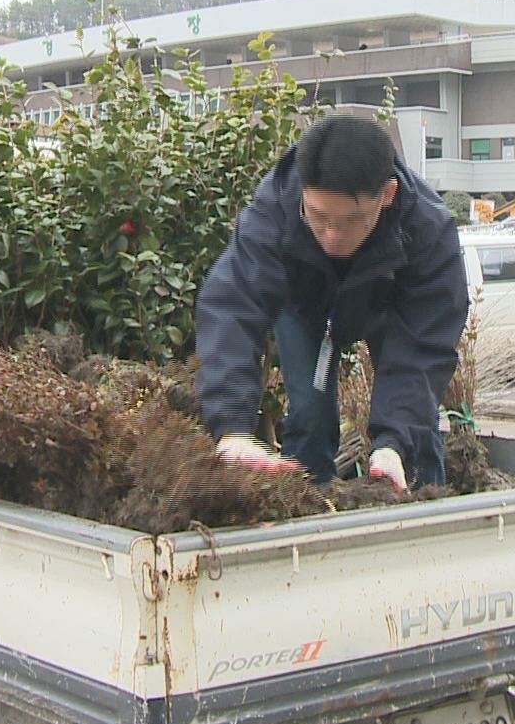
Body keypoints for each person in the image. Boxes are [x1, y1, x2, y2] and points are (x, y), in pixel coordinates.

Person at [196, 116, 468, 491]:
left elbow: (425, 345)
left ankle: (424, 508)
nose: (333, 237)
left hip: (389, 309)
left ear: (387, 196)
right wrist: (230, 429)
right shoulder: (274, 209)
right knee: (309, 417)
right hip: (305, 309)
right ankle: (305, 510)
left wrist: (392, 443)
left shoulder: (427, 230)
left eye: (351, 220)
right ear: (302, 192)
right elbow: (231, 306)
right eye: (319, 217)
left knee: (413, 438)